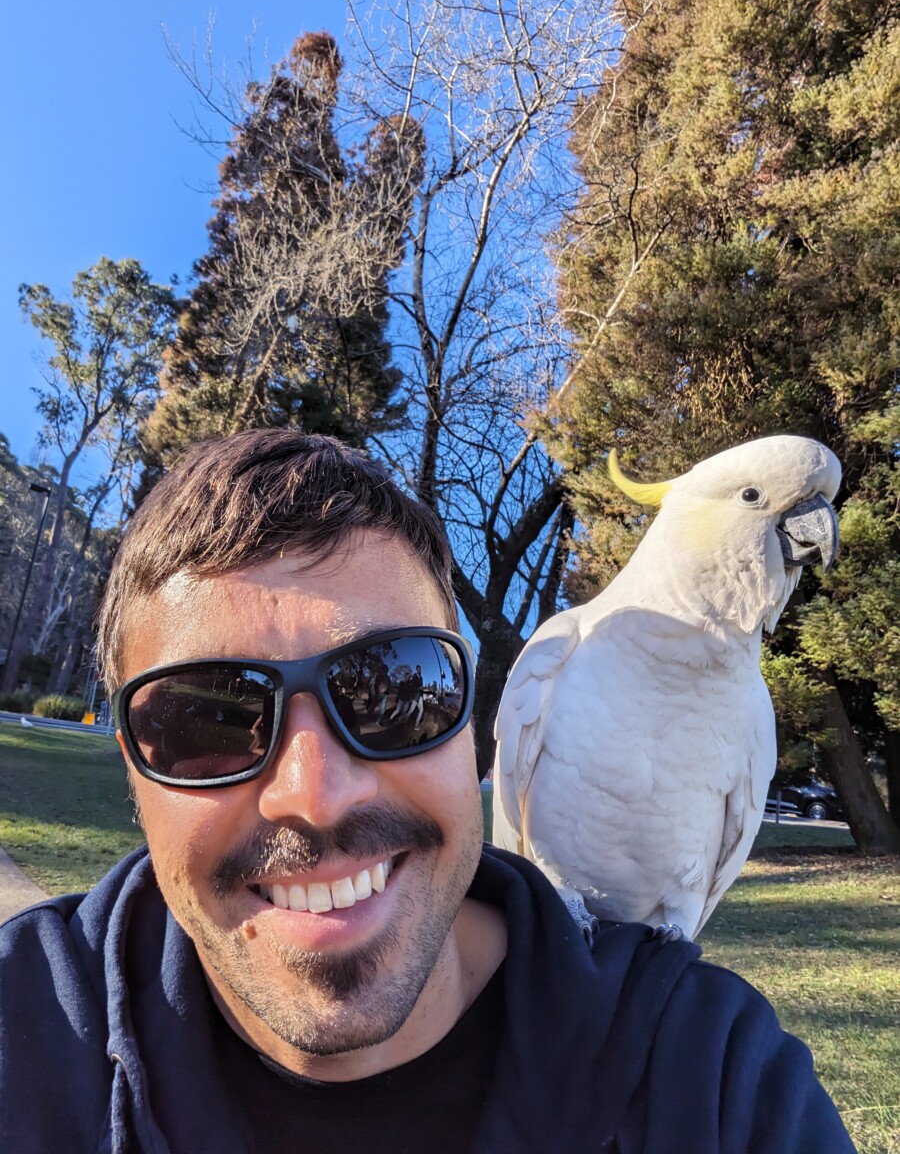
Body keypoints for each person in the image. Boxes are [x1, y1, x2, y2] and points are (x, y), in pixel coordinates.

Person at [0, 429, 856, 1154]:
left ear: (467, 723)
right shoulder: (27, 1026)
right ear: (130, 763)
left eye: (394, 689)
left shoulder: (717, 1081)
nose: (315, 795)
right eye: (207, 722)